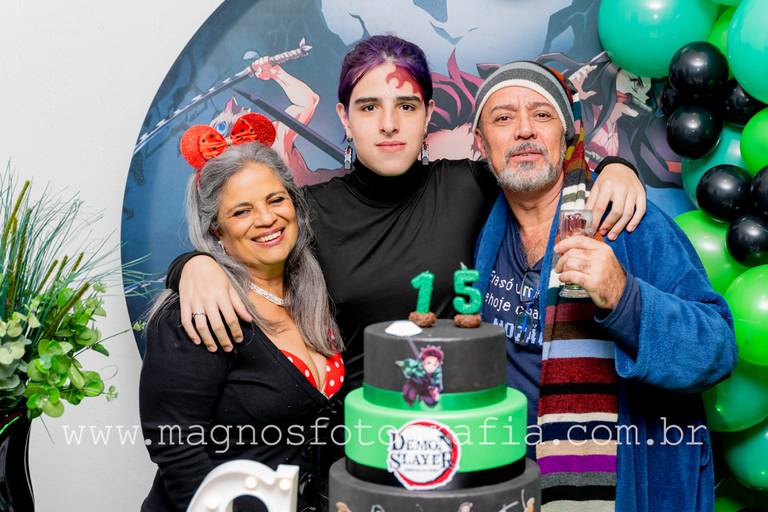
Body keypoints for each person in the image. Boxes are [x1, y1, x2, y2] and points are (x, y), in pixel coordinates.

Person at [166, 35, 646, 396]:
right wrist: (192, 265)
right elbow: (244, 249)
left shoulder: (473, 185)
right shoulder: (309, 210)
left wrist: (618, 169)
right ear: (345, 117)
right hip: (360, 435)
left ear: (428, 114)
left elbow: (540, 168)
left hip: (466, 428)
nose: (389, 124)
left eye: (406, 105)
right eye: (369, 107)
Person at [471, 61, 737, 511]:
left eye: (542, 114)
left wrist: (624, 296)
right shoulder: (485, 226)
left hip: (613, 487)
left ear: (566, 136)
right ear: (481, 142)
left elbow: (717, 349)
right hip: (508, 486)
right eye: (503, 117)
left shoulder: (626, 222)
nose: (524, 130)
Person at [139, 140, 343, 511]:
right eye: (241, 211)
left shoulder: (314, 291)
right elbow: (176, 446)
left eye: (275, 200)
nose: (266, 219)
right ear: (216, 229)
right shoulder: (200, 311)